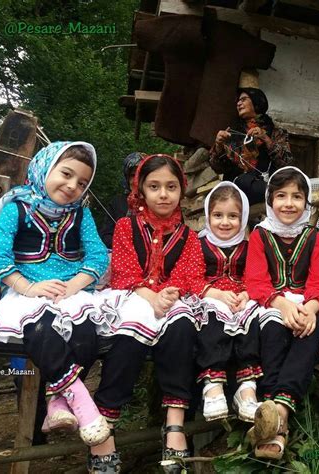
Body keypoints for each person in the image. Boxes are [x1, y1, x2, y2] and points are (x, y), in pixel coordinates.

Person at [0, 141, 110, 447]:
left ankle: (57, 402)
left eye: (81, 182)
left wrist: (74, 286)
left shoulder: (81, 214)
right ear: (45, 169)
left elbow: (98, 257)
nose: (71, 186)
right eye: (65, 174)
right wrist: (30, 287)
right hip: (25, 293)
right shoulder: (18, 208)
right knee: (42, 331)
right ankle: (81, 402)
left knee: (86, 332)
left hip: (72, 291)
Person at [89, 154, 206, 473]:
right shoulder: (126, 227)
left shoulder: (189, 236)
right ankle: (104, 429)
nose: (163, 194)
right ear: (140, 189)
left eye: (171, 186)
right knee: (128, 337)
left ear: (182, 190)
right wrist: (150, 296)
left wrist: (170, 293)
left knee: (182, 328)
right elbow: (124, 271)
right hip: (133, 295)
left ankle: (175, 424)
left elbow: (190, 272)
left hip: (172, 299)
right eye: (154, 186)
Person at [245, 166, 319, 459]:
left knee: (311, 330)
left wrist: (309, 309)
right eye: (281, 195)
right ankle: (274, 411)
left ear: (306, 202)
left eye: (297, 196)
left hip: (307, 303)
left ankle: (277, 413)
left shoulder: (315, 238)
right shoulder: (260, 235)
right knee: (272, 330)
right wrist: (281, 304)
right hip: (272, 303)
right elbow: (256, 281)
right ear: (270, 200)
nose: (289, 203)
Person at [196, 182, 261, 423]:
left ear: (243, 217)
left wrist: (246, 294)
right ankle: (212, 385)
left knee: (252, 318)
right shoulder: (198, 244)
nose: (225, 222)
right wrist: (214, 293)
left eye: (233, 216)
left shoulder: (251, 246)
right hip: (209, 297)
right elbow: (191, 277)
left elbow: (256, 275)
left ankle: (247, 387)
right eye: (218, 215)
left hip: (240, 298)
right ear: (208, 216)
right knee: (212, 318)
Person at [209, 87, 293, 205]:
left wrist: (265, 138)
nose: (239, 103)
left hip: (262, 188)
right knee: (242, 182)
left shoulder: (275, 132)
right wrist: (218, 145)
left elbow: (286, 163)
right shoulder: (231, 133)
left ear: (257, 102)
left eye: (243, 99)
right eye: (238, 101)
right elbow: (218, 168)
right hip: (235, 190)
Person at [98, 152, 145, 249]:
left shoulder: (159, 203)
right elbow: (105, 235)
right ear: (127, 178)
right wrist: (124, 245)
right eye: (133, 175)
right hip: (123, 255)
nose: (136, 180)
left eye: (141, 175)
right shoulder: (116, 203)